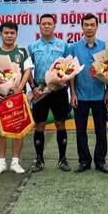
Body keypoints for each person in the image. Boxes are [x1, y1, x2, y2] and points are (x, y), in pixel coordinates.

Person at [28, 14, 72, 172]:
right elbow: (28, 70)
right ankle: (39, 160)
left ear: (54, 26)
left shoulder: (63, 45)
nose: (46, 26)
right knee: (40, 124)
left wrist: (65, 82)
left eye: (49, 23)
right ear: (39, 26)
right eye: (43, 23)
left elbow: (69, 67)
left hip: (58, 90)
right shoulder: (33, 47)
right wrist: (33, 86)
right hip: (40, 90)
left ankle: (62, 159)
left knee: (60, 123)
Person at [68, 13, 108, 173]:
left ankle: (100, 161)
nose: (89, 28)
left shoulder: (105, 46)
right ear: (82, 27)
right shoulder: (74, 47)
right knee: (80, 131)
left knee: (101, 130)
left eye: (92, 25)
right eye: (86, 25)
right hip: (80, 96)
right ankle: (84, 161)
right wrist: (73, 94)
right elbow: (71, 73)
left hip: (100, 96)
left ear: (97, 27)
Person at [0, 22, 33, 175]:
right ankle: (1, 162)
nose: (9, 36)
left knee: (18, 128)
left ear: (16, 34)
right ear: (0, 34)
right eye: (6, 33)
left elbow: (27, 70)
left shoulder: (22, 51)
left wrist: (20, 87)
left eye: (12, 33)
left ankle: (15, 162)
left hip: (18, 96)